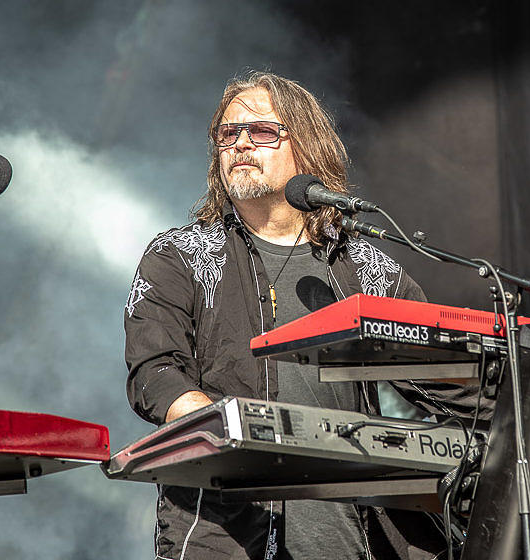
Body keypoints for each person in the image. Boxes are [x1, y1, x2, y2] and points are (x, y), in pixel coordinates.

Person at [124, 71, 440, 560]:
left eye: (262, 131)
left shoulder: (366, 268)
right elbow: (155, 371)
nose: (240, 144)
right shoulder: (180, 256)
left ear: (308, 147)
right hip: (225, 534)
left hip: (353, 538)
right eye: (228, 133)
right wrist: (233, 435)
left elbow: (445, 375)